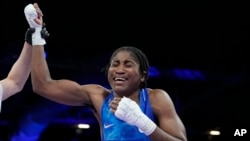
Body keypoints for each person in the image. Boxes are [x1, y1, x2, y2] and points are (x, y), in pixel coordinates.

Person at [29, 3, 187, 141]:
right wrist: (36, 34)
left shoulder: (156, 98)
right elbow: (42, 86)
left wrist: (143, 123)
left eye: (128, 64)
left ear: (143, 75)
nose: (119, 70)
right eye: (115, 64)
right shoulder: (98, 97)